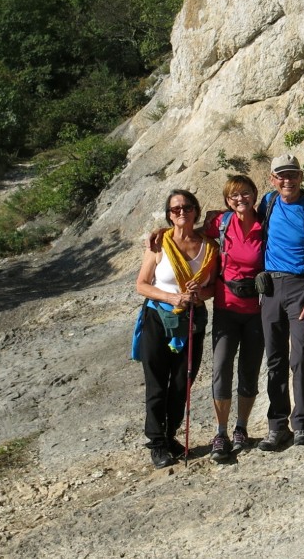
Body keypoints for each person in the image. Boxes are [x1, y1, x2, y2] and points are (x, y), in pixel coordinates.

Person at [257, 154, 304, 451]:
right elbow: (232, 219)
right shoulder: (267, 203)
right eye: (281, 176)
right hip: (271, 289)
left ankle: (302, 424)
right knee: (274, 359)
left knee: (300, 357)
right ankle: (277, 427)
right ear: (272, 179)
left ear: (301, 177)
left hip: (302, 288)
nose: (287, 180)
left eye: (292, 175)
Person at [135, 189, 217, 468]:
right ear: (169, 215)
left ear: (196, 210)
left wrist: (198, 295)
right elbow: (142, 284)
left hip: (191, 319)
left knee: (183, 383)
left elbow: (212, 287)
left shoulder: (209, 247)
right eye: (175, 209)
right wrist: (172, 297)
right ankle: (157, 442)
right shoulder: (159, 244)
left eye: (187, 207)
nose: (181, 212)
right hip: (158, 317)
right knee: (157, 382)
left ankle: (169, 436)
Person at [201, 175, 265, 463]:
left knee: (249, 371)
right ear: (227, 201)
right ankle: (221, 431)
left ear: (255, 194)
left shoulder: (266, 223)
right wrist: (161, 231)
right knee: (221, 368)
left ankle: (241, 427)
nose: (240, 200)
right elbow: (188, 230)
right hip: (226, 307)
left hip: (258, 310)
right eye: (233, 196)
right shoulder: (221, 223)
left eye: (245, 193)